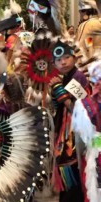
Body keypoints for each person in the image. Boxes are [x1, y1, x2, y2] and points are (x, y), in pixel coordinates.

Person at [49, 40, 90, 202]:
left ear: (74, 57)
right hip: (65, 138)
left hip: (76, 140)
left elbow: (81, 111)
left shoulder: (78, 77)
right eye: (58, 60)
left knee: (76, 184)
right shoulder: (65, 77)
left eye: (66, 57)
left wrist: (59, 90)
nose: (63, 62)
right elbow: (58, 108)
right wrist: (55, 93)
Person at [72, 60, 101, 202]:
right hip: (95, 157)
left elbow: (81, 143)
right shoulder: (84, 105)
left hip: (95, 154)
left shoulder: (84, 105)